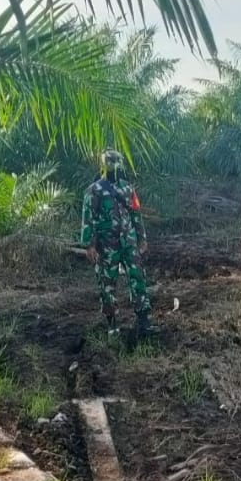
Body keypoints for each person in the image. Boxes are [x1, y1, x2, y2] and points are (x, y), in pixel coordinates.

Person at [81, 148, 153, 346]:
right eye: (111, 162)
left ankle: (143, 319)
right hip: (107, 246)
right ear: (104, 165)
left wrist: (142, 239)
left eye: (117, 161)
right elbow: (89, 219)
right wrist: (89, 245)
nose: (114, 166)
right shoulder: (94, 190)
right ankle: (112, 323)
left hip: (128, 242)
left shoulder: (128, 189)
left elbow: (136, 214)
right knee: (107, 284)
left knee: (137, 277)